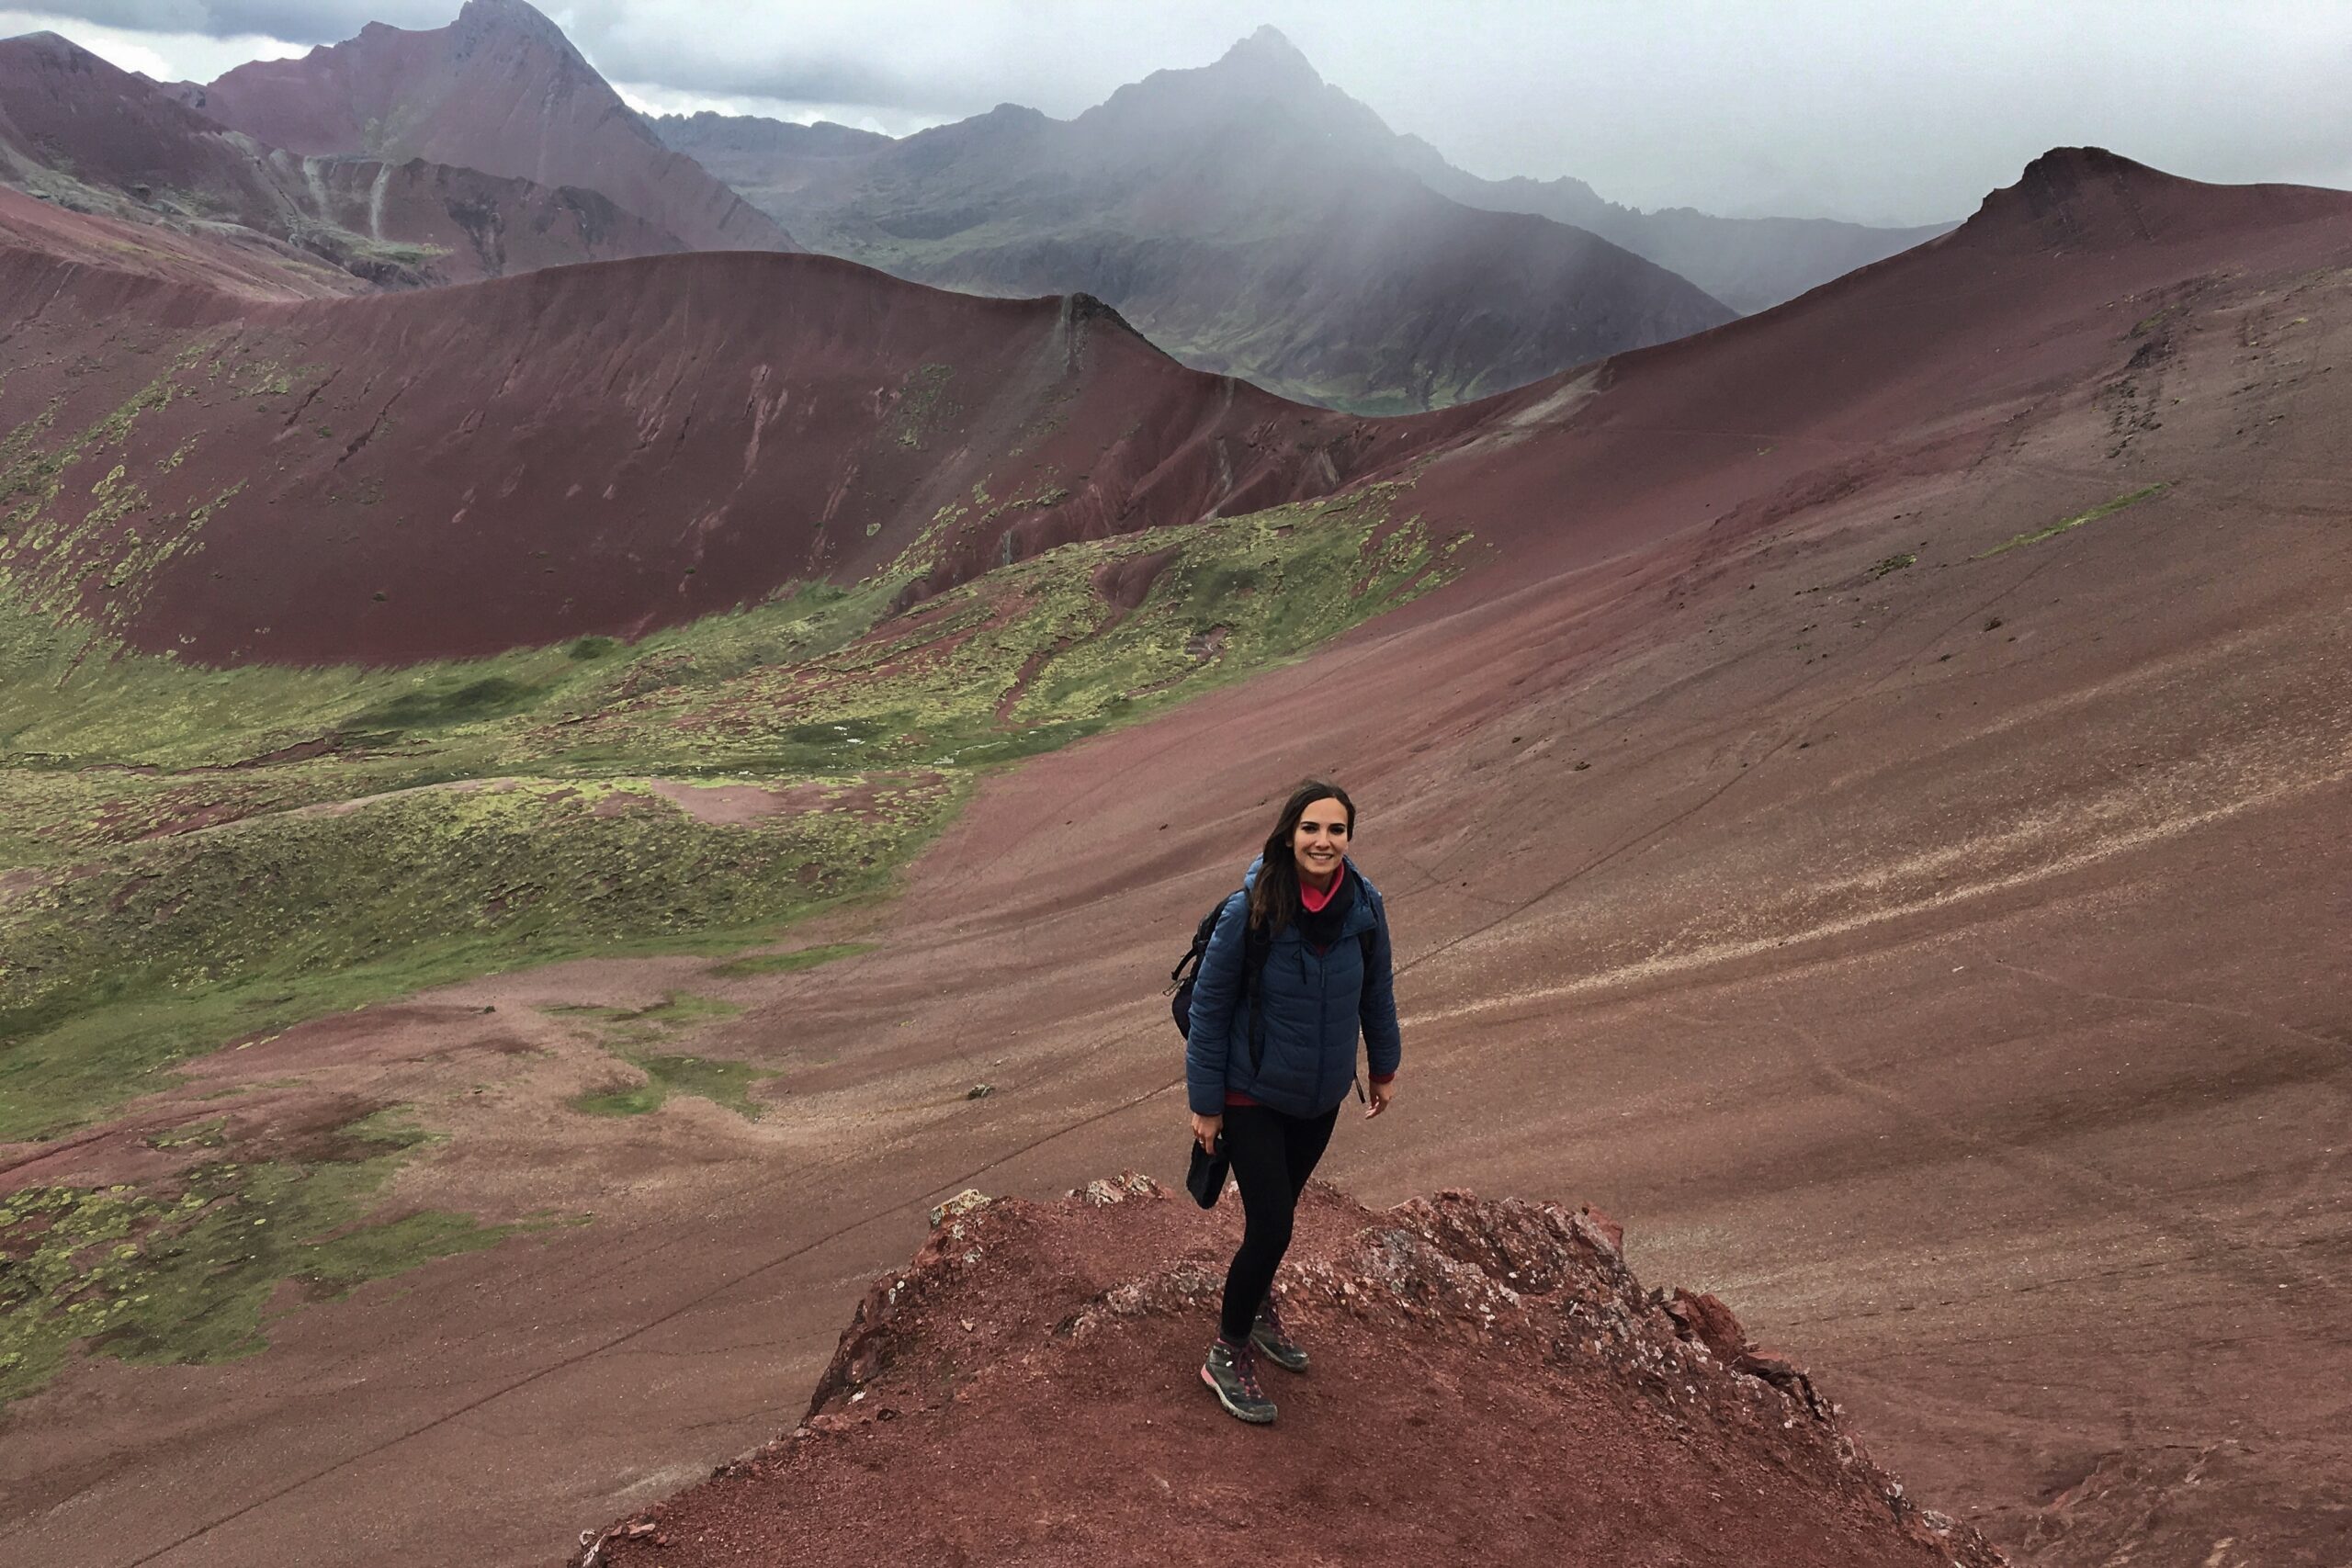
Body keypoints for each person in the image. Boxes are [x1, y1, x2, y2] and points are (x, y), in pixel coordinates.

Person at [1184, 779, 1400, 1424]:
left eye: (1336, 829)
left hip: (1319, 1097)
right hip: (1251, 1092)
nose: (1323, 840)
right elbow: (1209, 1007)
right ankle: (1227, 1351)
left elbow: (1377, 991)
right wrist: (1206, 1103)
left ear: (1349, 838)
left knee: (1276, 1214)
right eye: (1311, 828)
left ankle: (1255, 1306)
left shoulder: (1365, 907)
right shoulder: (1250, 908)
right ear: (1288, 833)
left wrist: (1383, 1065)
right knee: (1273, 1223)